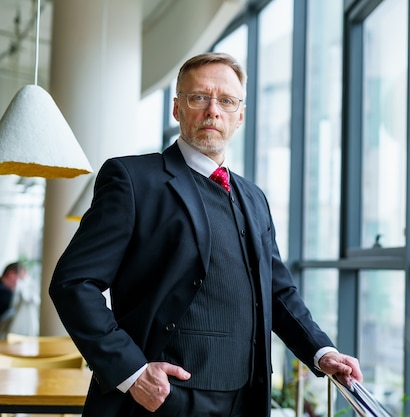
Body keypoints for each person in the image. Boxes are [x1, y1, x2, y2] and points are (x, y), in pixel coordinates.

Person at [49, 52, 362, 417]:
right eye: (199, 97)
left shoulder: (254, 198)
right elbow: (73, 282)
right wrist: (131, 372)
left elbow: (277, 292)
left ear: (239, 116)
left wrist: (321, 352)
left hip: (245, 398)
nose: (213, 110)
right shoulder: (132, 180)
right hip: (159, 400)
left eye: (226, 101)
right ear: (177, 108)